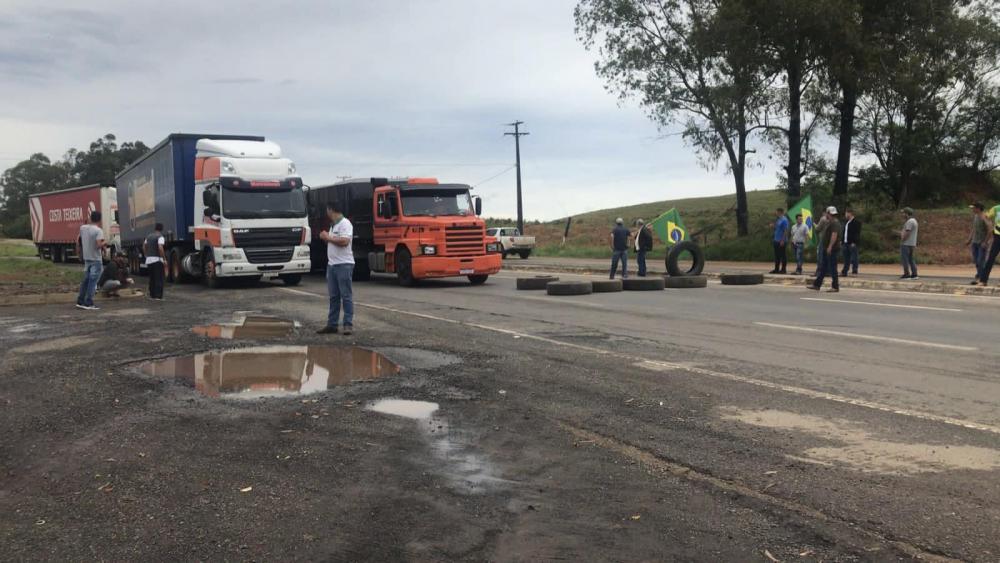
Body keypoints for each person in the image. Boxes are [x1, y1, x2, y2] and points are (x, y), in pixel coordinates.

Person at [317, 201, 355, 335]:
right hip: (332, 265)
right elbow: (335, 240)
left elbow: (345, 241)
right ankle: (332, 324)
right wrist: (327, 237)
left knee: (346, 295)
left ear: (330, 209)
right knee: (334, 296)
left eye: (327, 210)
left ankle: (348, 324)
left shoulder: (345, 223)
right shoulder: (333, 225)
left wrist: (328, 237)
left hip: (344, 264)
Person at [75, 211, 106, 310]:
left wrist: (79, 252)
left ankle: (80, 301)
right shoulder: (98, 231)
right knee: (93, 282)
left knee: (86, 280)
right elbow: (98, 245)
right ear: (100, 219)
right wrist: (105, 242)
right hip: (96, 259)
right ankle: (89, 302)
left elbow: (78, 240)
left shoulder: (82, 228)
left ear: (90, 218)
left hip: (87, 258)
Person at [809, 207, 841, 293]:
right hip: (826, 248)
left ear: (828, 213)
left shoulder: (835, 223)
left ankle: (835, 286)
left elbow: (834, 235)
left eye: (827, 214)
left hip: (831, 249)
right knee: (824, 267)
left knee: (833, 268)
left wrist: (830, 246)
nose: (826, 215)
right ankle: (817, 285)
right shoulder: (830, 222)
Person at [978, 202, 1000, 287]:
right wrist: (990, 225)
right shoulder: (996, 208)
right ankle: (983, 280)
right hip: (998, 236)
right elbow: (986, 216)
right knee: (991, 258)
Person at [967, 203, 988, 285]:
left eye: (973, 208)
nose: (972, 210)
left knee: (980, 261)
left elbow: (990, 230)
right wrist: (969, 239)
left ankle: (981, 279)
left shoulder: (985, 217)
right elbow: (974, 228)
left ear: (978, 208)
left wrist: (985, 242)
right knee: (976, 261)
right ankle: (979, 276)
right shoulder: (975, 216)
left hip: (981, 243)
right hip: (974, 242)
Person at [145, 223, 166, 300]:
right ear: (161, 229)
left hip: (149, 260)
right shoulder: (160, 237)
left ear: (155, 228)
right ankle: (158, 296)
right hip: (157, 260)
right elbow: (160, 248)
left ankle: (152, 295)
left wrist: (146, 254)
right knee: (158, 278)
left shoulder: (149, 236)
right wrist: (164, 259)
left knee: (152, 278)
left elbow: (144, 246)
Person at [840, 208, 862, 276]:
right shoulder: (846, 222)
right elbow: (844, 232)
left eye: (846, 213)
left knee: (854, 257)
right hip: (845, 242)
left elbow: (857, 233)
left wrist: (854, 242)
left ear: (850, 213)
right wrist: (842, 240)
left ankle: (854, 271)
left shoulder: (856, 222)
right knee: (846, 258)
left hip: (852, 243)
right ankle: (845, 271)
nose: (845, 214)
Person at [900, 207, 919, 280]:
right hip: (912, 243)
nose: (902, 214)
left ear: (907, 214)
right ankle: (914, 274)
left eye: (903, 213)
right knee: (911, 259)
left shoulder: (909, 221)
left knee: (905, 259)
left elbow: (908, 232)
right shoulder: (914, 221)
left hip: (906, 244)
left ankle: (906, 274)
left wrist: (903, 239)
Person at [769, 208, 789, 274]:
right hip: (776, 239)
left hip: (781, 240)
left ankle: (783, 269)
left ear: (780, 212)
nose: (776, 213)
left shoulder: (784, 220)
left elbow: (786, 230)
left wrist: (783, 240)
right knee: (777, 255)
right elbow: (777, 228)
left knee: (783, 255)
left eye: (777, 212)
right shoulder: (779, 220)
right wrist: (773, 226)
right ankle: (776, 269)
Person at [812, 212, 830, 277]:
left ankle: (819, 272)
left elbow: (817, 229)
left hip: (823, 240)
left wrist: (814, 224)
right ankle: (828, 271)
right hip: (829, 241)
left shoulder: (823, 219)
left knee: (820, 256)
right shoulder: (833, 220)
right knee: (827, 257)